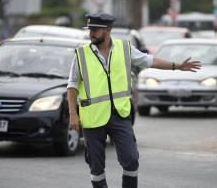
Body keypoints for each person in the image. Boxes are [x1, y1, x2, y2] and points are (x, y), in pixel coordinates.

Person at [67, 12, 201, 188]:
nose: (90, 33)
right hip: (93, 117)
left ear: (107, 30)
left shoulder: (124, 48)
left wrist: (177, 66)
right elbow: (72, 85)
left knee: (131, 160)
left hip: (120, 114)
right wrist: (73, 114)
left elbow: (149, 61)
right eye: (89, 29)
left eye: (94, 30)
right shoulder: (81, 53)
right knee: (96, 167)